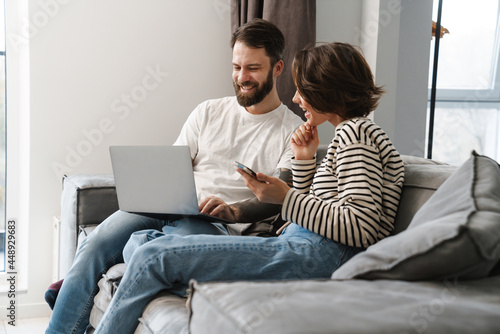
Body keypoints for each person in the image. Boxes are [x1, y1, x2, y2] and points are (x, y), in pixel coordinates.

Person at [92, 42, 405, 334]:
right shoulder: (351, 134)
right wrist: (305, 160)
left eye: (302, 90)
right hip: (300, 247)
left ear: (326, 91)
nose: (296, 99)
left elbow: (360, 227)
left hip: (310, 256)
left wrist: (286, 197)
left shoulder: (357, 134)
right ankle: (203, 286)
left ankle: (193, 284)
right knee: (141, 241)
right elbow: (327, 209)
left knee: (151, 257)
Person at [45, 18, 303, 334]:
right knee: (96, 244)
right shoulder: (208, 112)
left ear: (277, 69)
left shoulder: (292, 132)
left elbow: (279, 198)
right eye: (236, 67)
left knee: (149, 251)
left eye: (252, 68)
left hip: (215, 221)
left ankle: (124, 258)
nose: (241, 77)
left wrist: (233, 210)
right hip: (166, 206)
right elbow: (172, 166)